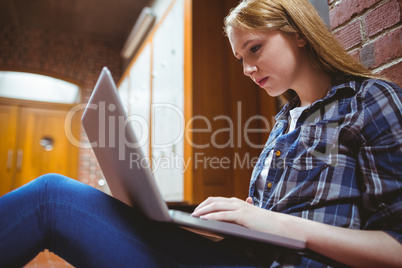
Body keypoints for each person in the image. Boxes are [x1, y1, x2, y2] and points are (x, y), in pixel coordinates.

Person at [1, 0, 401, 267]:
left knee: (51, 198)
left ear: (298, 32)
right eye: (240, 57)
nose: (247, 69)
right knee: (79, 202)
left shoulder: (369, 100)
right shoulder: (285, 123)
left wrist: (269, 222)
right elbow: (264, 225)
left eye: (255, 48)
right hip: (240, 258)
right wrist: (215, 222)